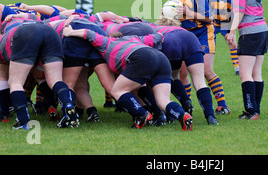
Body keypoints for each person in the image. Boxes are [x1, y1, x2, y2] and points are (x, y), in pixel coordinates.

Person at [62, 24, 193, 131]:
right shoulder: (135, 38)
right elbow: (157, 36)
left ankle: (141, 115)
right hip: (162, 59)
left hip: (140, 57)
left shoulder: (106, 42)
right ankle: (183, 116)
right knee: (163, 100)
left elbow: (89, 34)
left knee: (117, 91)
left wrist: (70, 32)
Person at [0, 19, 79, 129]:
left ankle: (23, 121)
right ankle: (68, 106)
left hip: (26, 33)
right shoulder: (7, 36)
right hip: (50, 32)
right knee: (55, 80)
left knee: (15, 82)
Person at [166, 0, 231, 115]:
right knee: (182, 73)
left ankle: (222, 105)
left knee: (206, 70)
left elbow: (209, 18)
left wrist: (189, 13)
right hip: (185, 36)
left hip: (203, 33)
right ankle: (187, 105)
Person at [222, 0, 268, 120]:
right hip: (263, 31)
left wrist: (232, 31)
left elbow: (239, 11)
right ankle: (255, 110)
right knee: (257, 72)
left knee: (245, 74)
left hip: (250, 33)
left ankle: (251, 110)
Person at [207, 0, 240, 74]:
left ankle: (237, 67)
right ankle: (207, 68)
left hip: (226, 24)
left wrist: (231, 32)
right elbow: (205, 11)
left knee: (232, 44)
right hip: (213, 23)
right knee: (209, 46)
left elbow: (235, 16)